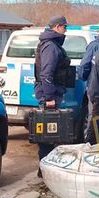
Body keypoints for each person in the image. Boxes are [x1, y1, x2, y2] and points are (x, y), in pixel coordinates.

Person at [34, 15, 71, 175]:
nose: (65, 30)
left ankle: (45, 170)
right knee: (48, 136)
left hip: (51, 93)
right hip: (50, 96)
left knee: (50, 134)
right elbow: (46, 74)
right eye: (64, 27)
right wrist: (49, 98)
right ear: (57, 27)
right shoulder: (51, 46)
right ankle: (45, 171)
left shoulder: (51, 44)